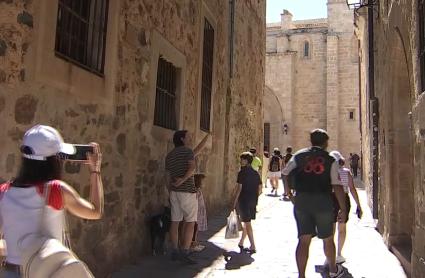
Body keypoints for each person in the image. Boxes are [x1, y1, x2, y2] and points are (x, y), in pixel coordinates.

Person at [0, 124, 104, 277]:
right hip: (45, 272)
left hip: (11, 273)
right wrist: (95, 171)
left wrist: (16, 246)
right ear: (53, 161)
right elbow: (95, 211)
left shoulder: (3, 192)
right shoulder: (55, 190)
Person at [282, 129, 346, 278]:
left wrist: (289, 193)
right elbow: (337, 185)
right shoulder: (331, 160)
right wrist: (343, 208)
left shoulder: (298, 156)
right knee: (328, 238)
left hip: (302, 201)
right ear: (325, 142)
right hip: (323, 201)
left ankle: (302, 275)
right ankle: (332, 270)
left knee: (303, 240)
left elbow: (285, 173)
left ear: (311, 140)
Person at [165, 130, 210, 264]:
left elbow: (167, 177)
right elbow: (192, 169)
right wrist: (183, 180)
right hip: (187, 192)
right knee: (190, 221)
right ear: (182, 139)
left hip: (174, 193)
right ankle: (184, 252)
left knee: (175, 221)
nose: (191, 138)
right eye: (189, 137)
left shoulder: (170, 155)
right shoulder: (188, 152)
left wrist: (170, 190)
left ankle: (174, 251)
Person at [329, 151, 363, 264]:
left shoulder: (328, 173)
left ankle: (330, 254)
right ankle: (338, 253)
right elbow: (352, 189)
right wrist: (358, 204)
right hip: (344, 199)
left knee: (331, 229)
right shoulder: (346, 172)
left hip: (331, 199)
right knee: (342, 228)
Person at [231, 152, 262, 254]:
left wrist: (233, 202)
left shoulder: (242, 173)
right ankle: (241, 242)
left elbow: (239, 188)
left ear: (246, 160)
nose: (240, 161)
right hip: (253, 201)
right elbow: (260, 188)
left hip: (244, 200)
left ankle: (253, 245)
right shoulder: (256, 173)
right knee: (247, 222)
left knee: (247, 223)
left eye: (242, 159)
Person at [191, 173, 207, 252]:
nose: (203, 183)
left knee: (196, 228)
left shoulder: (198, 190)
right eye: (202, 181)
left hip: (199, 211)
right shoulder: (196, 191)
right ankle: (193, 244)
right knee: (195, 227)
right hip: (196, 212)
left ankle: (195, 242)